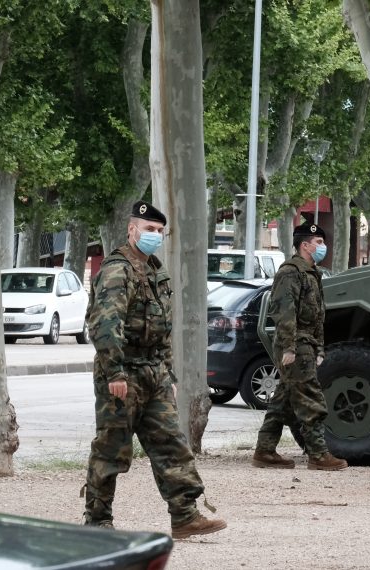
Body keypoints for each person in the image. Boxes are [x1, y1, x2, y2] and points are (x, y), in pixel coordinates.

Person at [82, 200, 227, 539]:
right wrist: (114, 372)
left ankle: (185, 516)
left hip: (154, 373)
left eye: (160, 231)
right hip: (123, 373)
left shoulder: (154, 269)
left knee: (171, 444)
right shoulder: (118, 269)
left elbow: (162, 328)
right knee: (111, 449)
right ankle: (97, 521)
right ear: (132, 229)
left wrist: (168, 374)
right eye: (149, 230)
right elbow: (105, 324)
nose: (155, 236)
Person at [252, 222, 348, 471]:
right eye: (318, 243)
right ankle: (318, 454)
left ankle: (264, 451)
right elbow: (285, 312)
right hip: (296, 342)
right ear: (304, 245)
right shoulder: (290, 272)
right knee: (311, 398)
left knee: (283, 400)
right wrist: (289, 348)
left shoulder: (312, 273)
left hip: (307, 343)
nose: (323, 247)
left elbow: (318, 316)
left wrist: (320, 348)